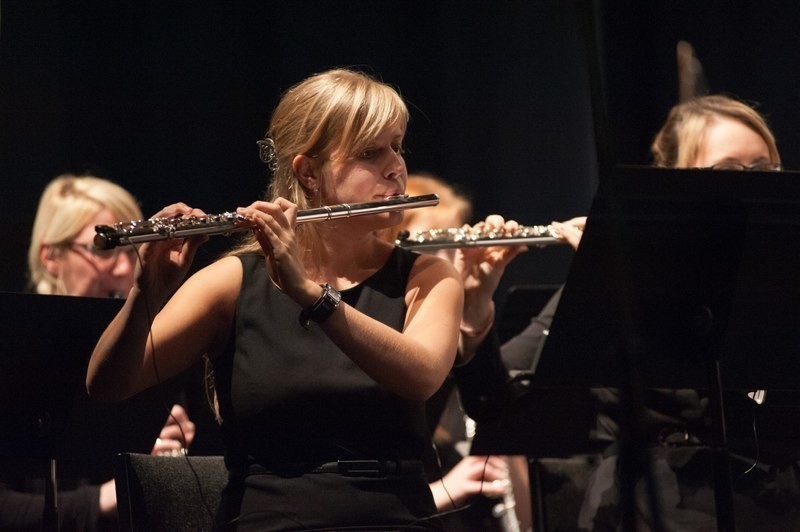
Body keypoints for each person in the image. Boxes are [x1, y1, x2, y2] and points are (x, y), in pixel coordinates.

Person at [86, 68, 464, 531]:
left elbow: (421, 376)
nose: (395, 167)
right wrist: (147, 292)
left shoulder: (427, 275)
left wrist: (309, 293)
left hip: (399, 520)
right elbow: (108, 385)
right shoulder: (233, 282)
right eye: (371, 152)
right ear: (309, 173)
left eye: (397, 146)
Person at [463, 94, 799, 531]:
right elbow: (496, 406)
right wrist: (476, 312)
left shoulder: (781, 281)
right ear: (673, 180)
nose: (751, 186)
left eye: (764, 170)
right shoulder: (611, 280)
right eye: (729, 170)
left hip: (773, 500)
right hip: (654, 502)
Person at [0, 174, 196, 532]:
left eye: (133, 248)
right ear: (51, 256)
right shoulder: (14, 352)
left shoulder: (144, 347)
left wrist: (157, 464)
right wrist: (102, 498)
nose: (125, 268)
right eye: (105, 247)